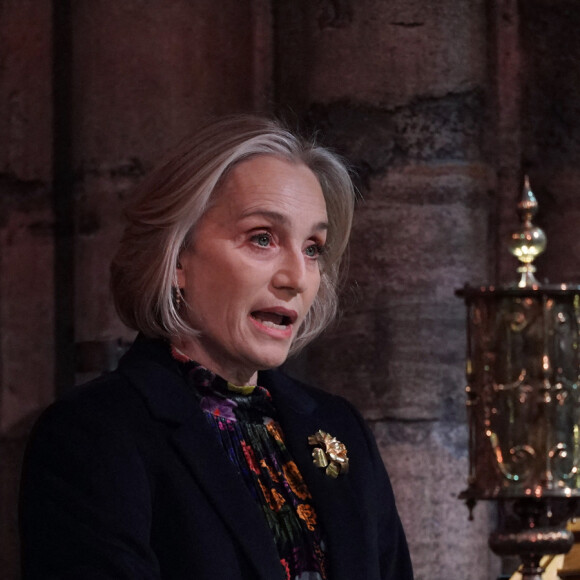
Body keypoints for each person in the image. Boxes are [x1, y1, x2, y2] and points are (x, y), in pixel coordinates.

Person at [19, 115, 413, 580]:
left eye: (312, 247)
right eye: (262, 238)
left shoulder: (338, 427)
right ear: (178, 257)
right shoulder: (95, 434)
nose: (297, 278)